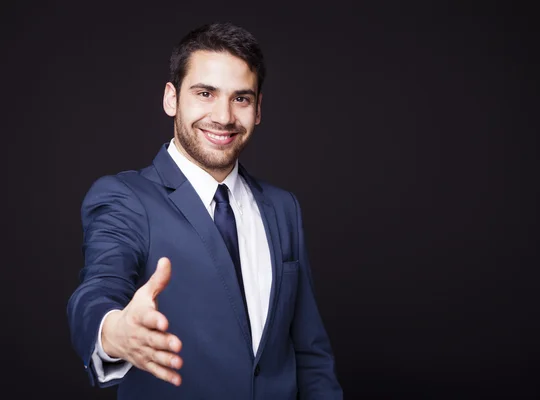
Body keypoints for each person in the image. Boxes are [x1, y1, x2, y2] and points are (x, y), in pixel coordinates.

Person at [66, 22, 343, 399]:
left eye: (241, 98)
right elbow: (98, 288)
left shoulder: (283, 208)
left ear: (258, 109)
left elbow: (310, 353)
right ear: (171, 98)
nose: (224, 116)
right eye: (205, 93)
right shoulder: (124, 197)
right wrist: (113, 330)